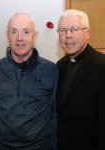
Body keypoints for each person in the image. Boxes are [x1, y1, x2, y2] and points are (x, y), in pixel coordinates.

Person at [0, 12, 58, 150]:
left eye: (26, 32)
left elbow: (53, 112)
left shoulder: (50, 70)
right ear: (7, 36)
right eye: (14, 32)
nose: (19, 38)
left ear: (34, 35)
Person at [56, 9, 105, 150]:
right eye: (63, 30)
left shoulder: (101, 66)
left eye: (74, 29)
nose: (68, 35)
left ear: (87, 33)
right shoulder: (59, 66)